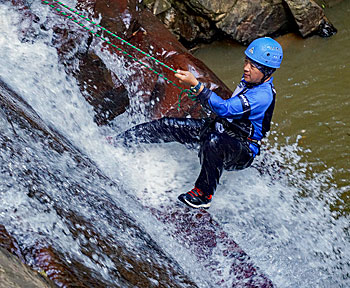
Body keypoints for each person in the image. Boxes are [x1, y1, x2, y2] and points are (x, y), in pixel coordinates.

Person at [116, 37, 283, 209]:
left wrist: (196, 85)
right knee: (168, 125)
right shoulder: (252, 79)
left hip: (242, 149)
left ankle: (204, 195)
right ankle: (120, 141)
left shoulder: (262, 96)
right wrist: (196, 92)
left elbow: (224, 109)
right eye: (246, 61)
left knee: (213, 141)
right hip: (222, 129)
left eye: (253, 66)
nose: (246, 68)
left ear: (267, 72)